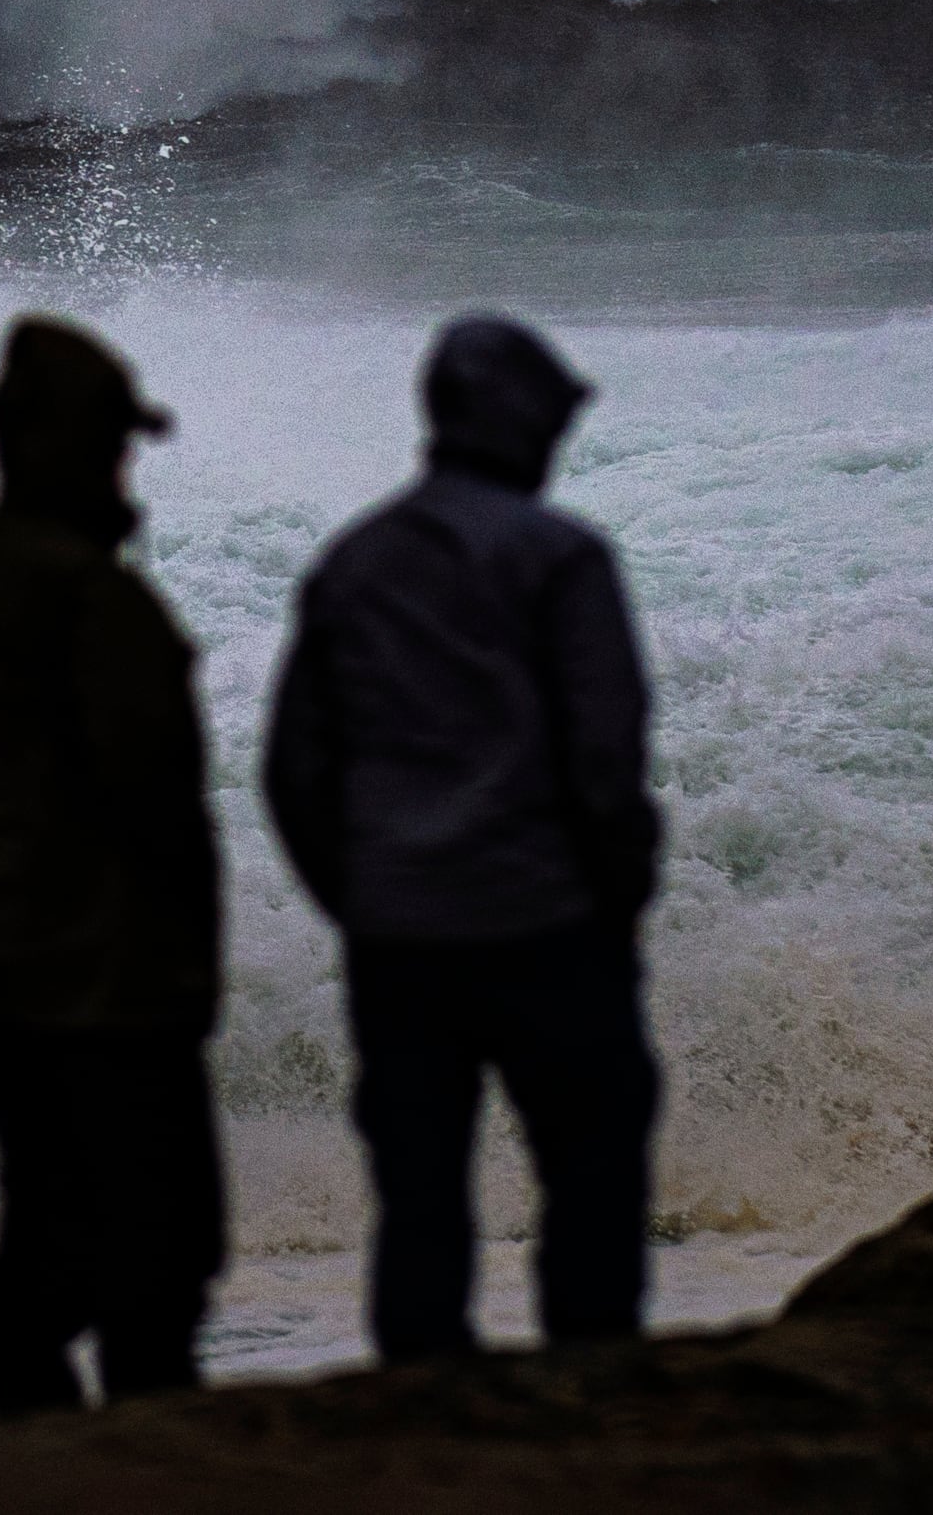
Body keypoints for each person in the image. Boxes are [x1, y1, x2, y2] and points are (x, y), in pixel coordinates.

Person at [262, 311, 664, 1362]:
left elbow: (296, 770)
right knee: (590, 1177)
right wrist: (615, 899)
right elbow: (605, 760)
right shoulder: (563, 556)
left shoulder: (352, 563)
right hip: (549, 923)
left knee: (420, 1197)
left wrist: (360, 898)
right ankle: (585, 1411)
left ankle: (424, 1431)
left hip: (399, 935)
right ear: (521, 421)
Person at [0, 314, 225, 1418]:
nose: (122, 461)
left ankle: (33, 1458)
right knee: (157, 1253)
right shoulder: (91, 593)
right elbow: (157, 794)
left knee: (44, 1233)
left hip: (6, 963)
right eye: (109, 439)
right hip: (120, 976)